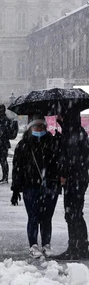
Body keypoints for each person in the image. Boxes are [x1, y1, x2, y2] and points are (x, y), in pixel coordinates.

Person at [11, 115, 60, 258]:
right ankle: (33, 245)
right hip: (30, 186)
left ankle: (46, 245)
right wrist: (15, 189)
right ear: (30, 128)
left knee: (47, 217)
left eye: (42, 126)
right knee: (33, 217)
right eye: (36, 126)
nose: (39, 128)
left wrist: (59, 139)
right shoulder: (23, 145)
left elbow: (58, 162)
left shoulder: (52, 142)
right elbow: (17, 168)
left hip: (49, 185)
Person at [53, 110, 89, 260]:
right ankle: (81, 246)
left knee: (72, 213)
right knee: (76, 213)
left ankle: (74, 247)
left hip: (74, 179)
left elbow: (70, 158)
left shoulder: (71, 133)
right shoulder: (76, 131)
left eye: (60, 114)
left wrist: (64, 174)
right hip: (80, 178)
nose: (57, 116)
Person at [0, 104, 11, 184]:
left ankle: (5, 177)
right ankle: (4, 177)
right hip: (1, 143)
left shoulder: (4, 120)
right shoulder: (1, 120)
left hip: (3, 144)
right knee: (2, 160)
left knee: (3, 160)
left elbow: (3, 133)